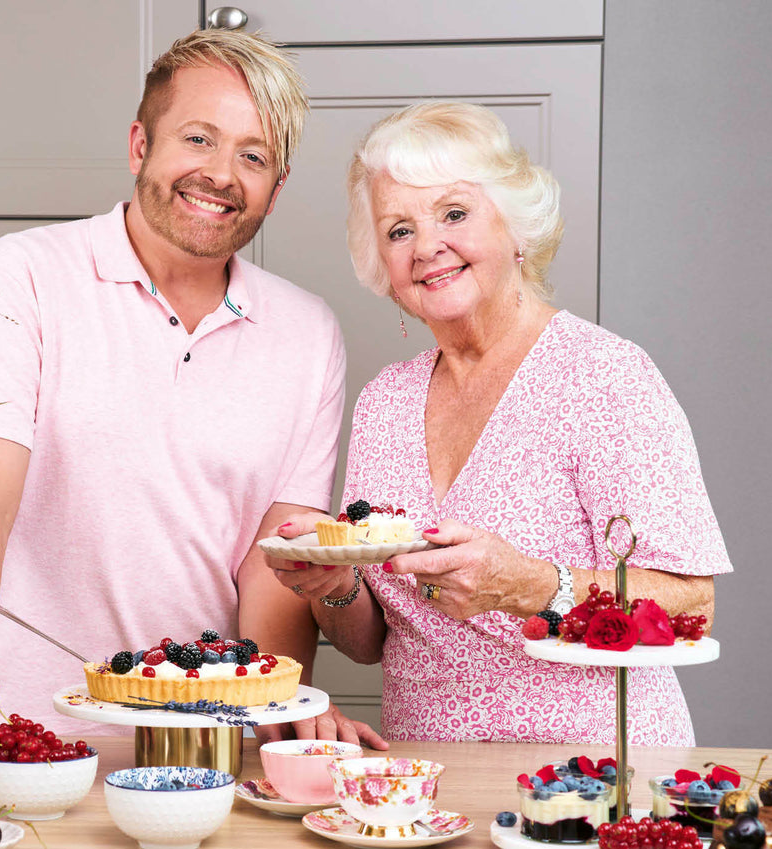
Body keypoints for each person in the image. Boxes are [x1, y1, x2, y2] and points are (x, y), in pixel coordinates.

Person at [0, 29, 389, 788]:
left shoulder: (307, 330)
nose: (220, 175)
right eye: (197, 138)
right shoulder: (17, 277)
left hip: (202, 749)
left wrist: (282, 707)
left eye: (252, 157)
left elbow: (271, 563)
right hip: (21, 740)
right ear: (138, 146)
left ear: (275, 189)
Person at [270, 101, 730, 744]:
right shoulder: (385, 402)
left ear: (515, 229)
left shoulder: (604, 376)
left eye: (454, 214)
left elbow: (691, 602)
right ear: (383, 265)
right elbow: (371, 642)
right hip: (427, 786)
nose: (427, 246)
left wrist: (533, 586)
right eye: (398, 230)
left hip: (592, 774)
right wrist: (334, 583)